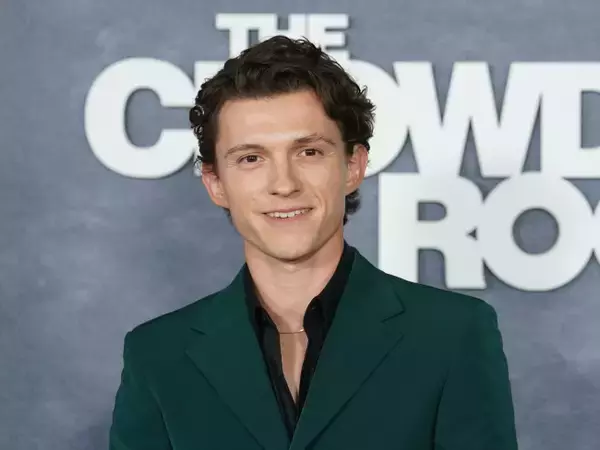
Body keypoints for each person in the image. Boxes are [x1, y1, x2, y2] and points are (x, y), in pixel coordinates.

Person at [109, 36, 519, 450]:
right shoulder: (156, 356)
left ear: (353, 166)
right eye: (251, 158)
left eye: (308, 152)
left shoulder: (452, 335)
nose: (284, 184)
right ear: (215, 183)